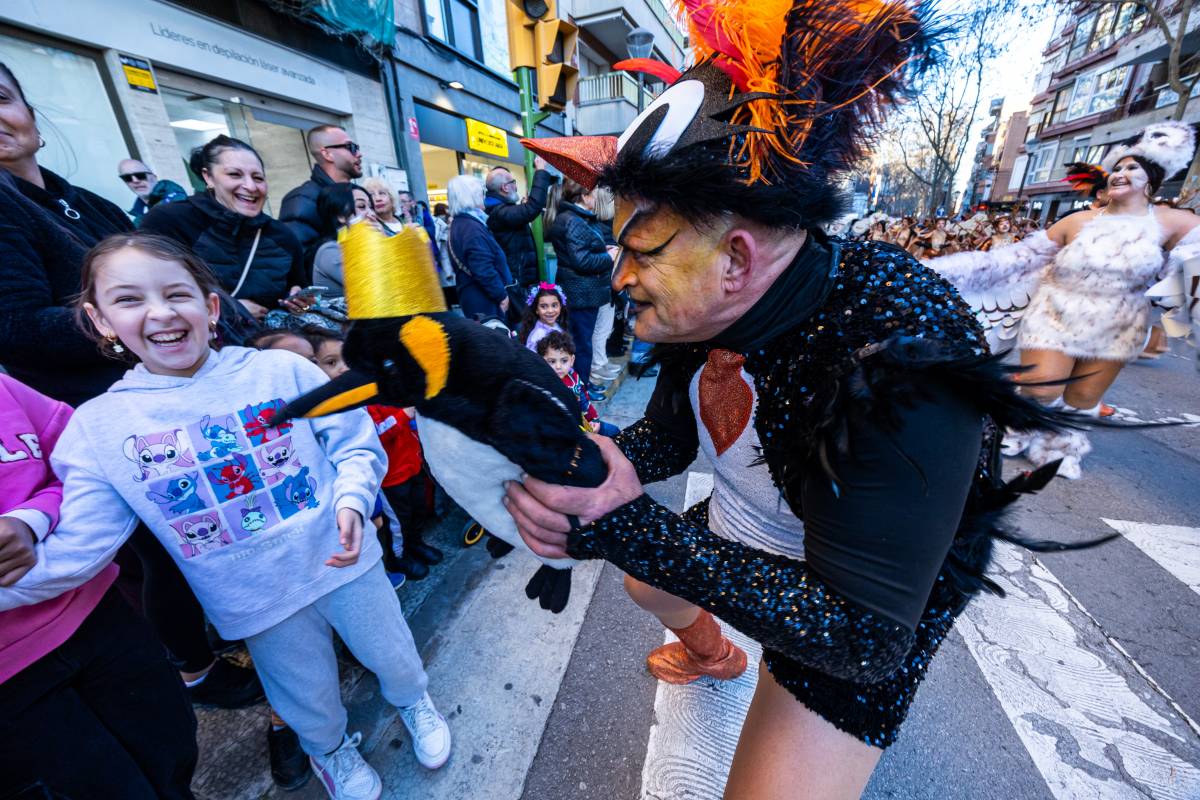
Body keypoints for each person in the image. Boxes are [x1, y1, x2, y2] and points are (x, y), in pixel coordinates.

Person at [511, 3, 1090, 797]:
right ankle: (716, 655)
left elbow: (862, 637)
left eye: (639, 247)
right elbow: (669, 439)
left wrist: (628, 526)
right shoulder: (704, 307)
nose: (618, 276)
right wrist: (587, 470)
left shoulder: (896, 351)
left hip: (859, 607)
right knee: (649, 581)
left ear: (738, 257)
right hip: (751, 530)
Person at [0, 232, 453, 798]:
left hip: (345, 562)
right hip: (253, 597)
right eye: (129, 299)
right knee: (301, 691)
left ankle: (415, 701)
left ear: (211, 306)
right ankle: (329, 750)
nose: (160, 313)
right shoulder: (97, 428)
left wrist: (352, 501)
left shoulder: (281, 373)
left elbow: (354, 445)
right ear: (99, 321)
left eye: (176, 293)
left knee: (393, 653)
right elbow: (80, 549)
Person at [930, 120, 1200, 479]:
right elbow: (1016, 259)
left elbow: (1193, 266)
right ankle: (1018, 427)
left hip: (1119, 325)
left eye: (1131, 168)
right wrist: (945, 272)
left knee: (1083, 399)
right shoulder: (1077, 221)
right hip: (1056, 314)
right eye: (1117, 168)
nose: (1120, 174)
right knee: (1041, 385)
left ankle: (1058, 447)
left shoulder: (1172, 221)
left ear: (1153, 177)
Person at [0, 373, 199, 800]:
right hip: (10, 683)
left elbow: (85, 460)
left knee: (172, 752)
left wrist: (31, 519)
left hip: (99, 617)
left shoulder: (6, 391)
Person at [0, 62, 134, 407]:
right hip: (109, 413)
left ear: (30, 115)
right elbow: (17, 328)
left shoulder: (93, 204)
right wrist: (142, 317)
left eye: (1, 98)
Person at [305, 327, 444, 581]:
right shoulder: (345, 405)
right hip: (389, 477)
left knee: (416, 510)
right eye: (331, 363)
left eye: (346, 359)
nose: (344, 368)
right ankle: (399, 559)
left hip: (409, 463)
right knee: (396, 523)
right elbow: (374, 433)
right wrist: (403, 416)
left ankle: (416, 545)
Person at [141, 135, 309, 323]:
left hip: (270, 339)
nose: (251, 186)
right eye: (234, 175)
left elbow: (297, 285)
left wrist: (297, 299)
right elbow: (148, 291)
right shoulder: (170, 221)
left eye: (258, 178)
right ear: (208, 177)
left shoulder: (282, 235)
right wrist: (231, 309)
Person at [546, 178, 617, 401]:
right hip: (581, 293)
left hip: (582, 291)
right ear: (584, 197)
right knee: (582, 345)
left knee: (581, 342)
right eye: (594, 193)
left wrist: (601, 249)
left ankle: (582, 386)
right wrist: (608, 256)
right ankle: (582, 389)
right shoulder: (574, 220)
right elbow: (582, 261)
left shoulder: (574, 218)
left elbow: (581, 251)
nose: (596, 198)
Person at [279, 125, 363, 261]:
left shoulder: (354, 194)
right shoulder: (302, 199)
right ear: (327, 154)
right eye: (351, 148)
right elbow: (299, 262)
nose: (359, 154)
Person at [446, 174, 513, 321]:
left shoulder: (461, 223)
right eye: (481, 193)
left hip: (475, 298)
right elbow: (483, 269)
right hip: (486, 302)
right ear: (472, 196)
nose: (484, 197)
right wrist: (502, 297)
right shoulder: (471, 227)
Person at [484, 159, 554, 288]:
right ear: (505, 187)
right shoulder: (500, 213)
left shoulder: (499, 210)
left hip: (520, 278)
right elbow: (533, 208)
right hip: (519, 281)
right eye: (513, 183)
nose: (515, 187)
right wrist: (541, 171)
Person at [536, 331, 617, 437]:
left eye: (564, 361)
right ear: (541, 361)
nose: (558, 366)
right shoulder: (543, 385)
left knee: (614, 431)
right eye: (552, 361)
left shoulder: (573, 377)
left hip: (584, 423)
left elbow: (584, 402)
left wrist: (593, 419)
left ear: (572, 360)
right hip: (565, 434)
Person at [312, 183, 378, 297]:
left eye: (371, 207)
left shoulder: (364, 244)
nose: (371, 214)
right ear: (341, 215)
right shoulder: (330, 251)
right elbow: (376, 287)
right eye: (362, 206)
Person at [588, 186, 622, 384]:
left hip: (605, 284)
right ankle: (598, 365)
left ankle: (601, 362)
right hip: (602, 283)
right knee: (601, 327)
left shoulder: (600, 225)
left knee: (605, 325)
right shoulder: (601, 227)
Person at [118, 158, 187, 224]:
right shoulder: (140, 213)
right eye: (127, 178)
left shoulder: (176, 201)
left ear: (154, 177)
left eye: (140, 175)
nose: (135, 181)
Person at [518, 281, 570, 352]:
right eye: (543, 306)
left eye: (554, 305)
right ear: (536, 309)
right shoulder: (538, 336)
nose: (550, 310)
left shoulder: (557, 326)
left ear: (560, 306)